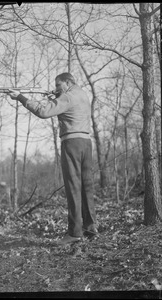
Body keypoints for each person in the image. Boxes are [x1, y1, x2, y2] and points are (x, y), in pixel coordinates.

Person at [8, 72, 98, 245]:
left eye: (58, 85)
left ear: (68, 82)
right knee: (86, 187)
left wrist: (20, 97)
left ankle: (74, 233)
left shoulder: (68, 97)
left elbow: (43, 111)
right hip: (86, 142)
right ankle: (90, 228)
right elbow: (67, 106)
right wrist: (57, 95)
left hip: (72, 143)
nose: (56, 88)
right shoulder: (81, 94)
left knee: (73, 187)